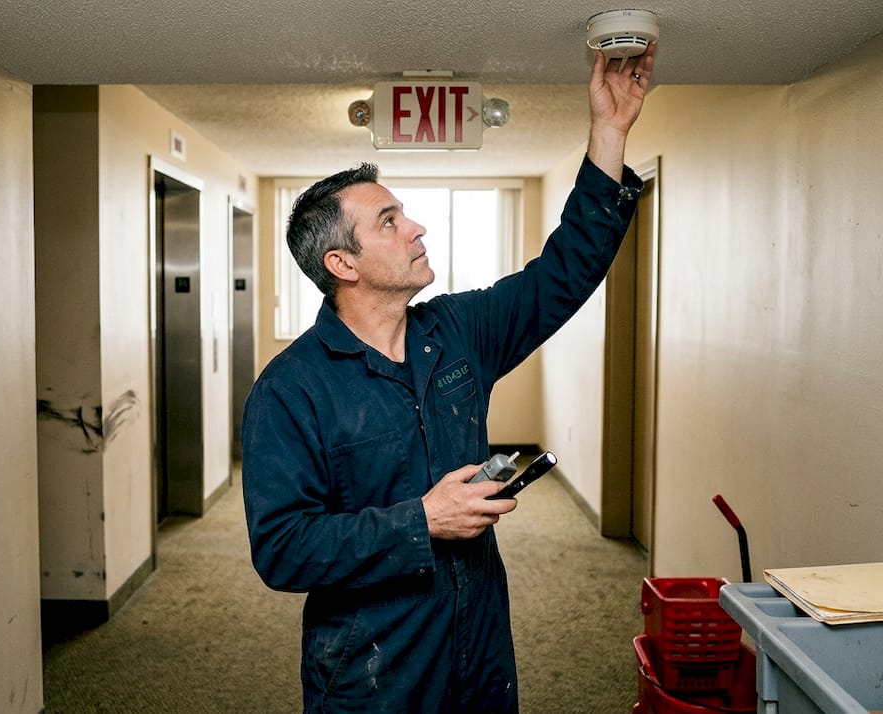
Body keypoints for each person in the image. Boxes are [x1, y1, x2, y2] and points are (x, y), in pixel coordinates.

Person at [242, 44, 657, 713]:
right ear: (342, 263)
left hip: (479, 641)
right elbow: (283, 549)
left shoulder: (458, 332)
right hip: (375, 668)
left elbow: (564, 272)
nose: (417, 228)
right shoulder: (291, 390)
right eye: (390, 221)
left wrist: (608, 132)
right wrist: (422, 520)